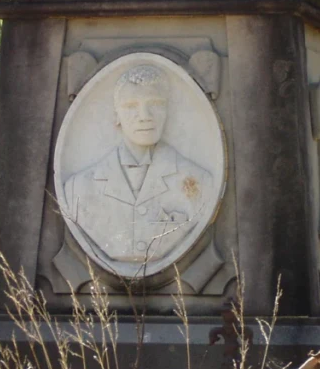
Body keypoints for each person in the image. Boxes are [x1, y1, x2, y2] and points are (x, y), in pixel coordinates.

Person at [63, 65, 212, 264]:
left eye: (155, 103)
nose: (144, 116)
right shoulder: (78, 189)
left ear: (167, 110)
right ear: (116, 114)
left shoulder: (200, 182)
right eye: (131, 106)